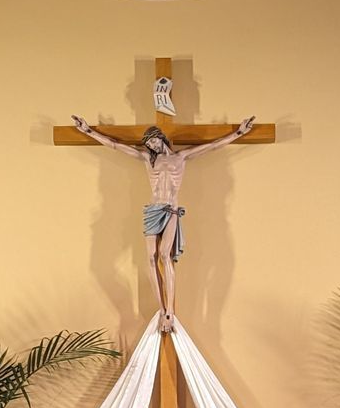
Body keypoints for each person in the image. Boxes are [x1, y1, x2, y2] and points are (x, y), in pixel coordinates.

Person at [71, 113, 256, 331]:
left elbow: (213, 146)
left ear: (160, 137)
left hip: (171, 209)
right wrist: (88, 131)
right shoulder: (148, 159)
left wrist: (238, 133)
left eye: (153, 141)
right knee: (151, 258)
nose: (151, 145)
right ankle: (161, 308)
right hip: (153, 210)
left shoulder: (181, 157)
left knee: (164, 255)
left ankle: (169, 310)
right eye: (148, 144)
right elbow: (115, 145)